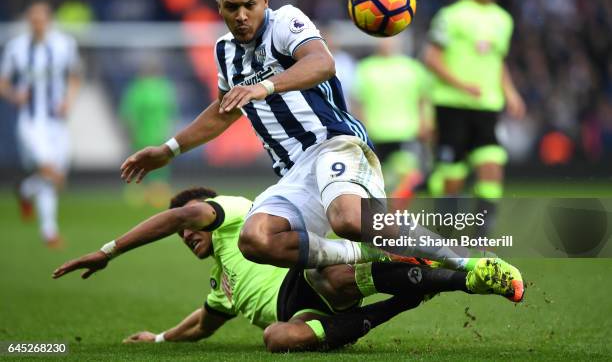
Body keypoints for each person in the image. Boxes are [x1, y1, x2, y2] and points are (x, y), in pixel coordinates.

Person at [118, 0, 524, 288]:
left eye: (249, 5)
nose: (241, 16)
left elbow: (320, 63)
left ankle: (469, 262)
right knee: (254, 240)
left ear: (265, 1)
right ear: (219, 6)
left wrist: (266, 85)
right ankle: (365, 254)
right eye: (230, 7)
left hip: (335, 145)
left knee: (350, 218)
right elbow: (224, 110)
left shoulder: (286, 22)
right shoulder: (224, 51)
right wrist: (168, 149)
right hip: (293, 172)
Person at [52, 187, 522, 352]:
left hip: (308, 272)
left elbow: (178, 215)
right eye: (183, 238)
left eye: (189, 226)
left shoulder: (232, 212)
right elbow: (202, 324)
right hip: (300, 313)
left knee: (331, 276)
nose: (187, 235)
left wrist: (108, 250)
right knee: (276, 338)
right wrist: (157, 338)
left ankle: (467, 276)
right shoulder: (222, 283)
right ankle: (408, 296)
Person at [423, 0, 526, 229]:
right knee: (452, 177)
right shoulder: (450, 16)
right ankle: (445, 230)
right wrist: (461, 85)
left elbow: (498, 61)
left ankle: (482, 231)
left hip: (487, 106)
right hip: (451, 105)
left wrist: (511, 93)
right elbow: (431, 58)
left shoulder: (503, 20)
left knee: (491, 164)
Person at [0, 0, 81, 248]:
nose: (37, 24)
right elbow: (3, 82)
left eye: (41, 19)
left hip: (57, 122)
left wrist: (69, 100)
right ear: (28, 22)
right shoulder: (16, 48)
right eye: (33, 19)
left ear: (49, 20)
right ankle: (50, 233)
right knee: (50, 171)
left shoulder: (65, 44)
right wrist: (15, 95)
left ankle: (25, 190)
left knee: (56, 172)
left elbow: (74, 75)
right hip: (31, 122)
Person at [354, 37, 433, 200]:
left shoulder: (412, 67)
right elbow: (358, 102)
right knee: (376, 180)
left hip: (406, 132)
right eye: (382, 39)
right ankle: (382, 213)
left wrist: (426, 122)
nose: (386, 43)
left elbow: (423, 98)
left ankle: (393, 212)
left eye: (390, 39)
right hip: (375, 133)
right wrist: (361, 127)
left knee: (408, 176)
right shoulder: (364, 68)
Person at [119, 59, 178, 207]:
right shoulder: (165, 88)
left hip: (141, 134)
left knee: (138, 163)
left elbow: (128, 114)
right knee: (161, 163)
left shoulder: (137, 88)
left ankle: (136, 194)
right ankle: (158, 194)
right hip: (160, 134)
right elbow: (172, 112)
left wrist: (130, 132)